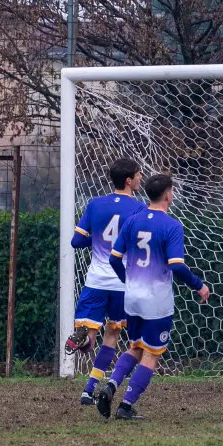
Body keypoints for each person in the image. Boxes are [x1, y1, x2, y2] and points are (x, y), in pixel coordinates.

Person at [95, 173, 210, 420]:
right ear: (168, 194)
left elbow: (114, 258)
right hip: (156, 301)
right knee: (151, 354)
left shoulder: (133, 221)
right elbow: (177, 265)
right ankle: (126, 405)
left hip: (132, 298)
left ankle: (110, 386)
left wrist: (129, 280)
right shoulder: (172, 225)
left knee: (135, 347)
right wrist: (199, 285)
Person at [67, 158, 146, 405]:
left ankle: (83, 342)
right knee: (112, 335)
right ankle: (88, 389)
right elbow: (137, 246)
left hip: (96, 281)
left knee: (91, 337)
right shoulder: (139, 209)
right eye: (138, 175)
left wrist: (99, 241)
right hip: (122, 284)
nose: (141, 178)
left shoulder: (95, 204)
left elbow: (76, 242)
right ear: (128, 180)